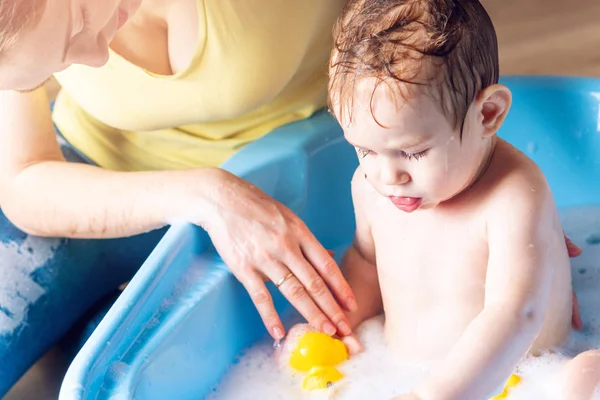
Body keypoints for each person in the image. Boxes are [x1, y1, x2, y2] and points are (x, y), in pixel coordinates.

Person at [0, 0, 361, 395]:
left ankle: (89, 328)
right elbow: (24, 176)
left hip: (278, 186)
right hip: (88, 180)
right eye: (56, 62)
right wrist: (204, 194)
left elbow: (417, 35)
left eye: (79, 24)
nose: (97, 58)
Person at [279, 0, 595, 398]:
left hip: (521, 377)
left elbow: (514, 315)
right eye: (365, 150)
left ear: (488, 114)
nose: (388, 175)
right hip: (397, 372)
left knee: (587, 376)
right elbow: (365, 263)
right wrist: (337, 325)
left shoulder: (512, 196)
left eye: (412, 152)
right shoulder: (370, 185)